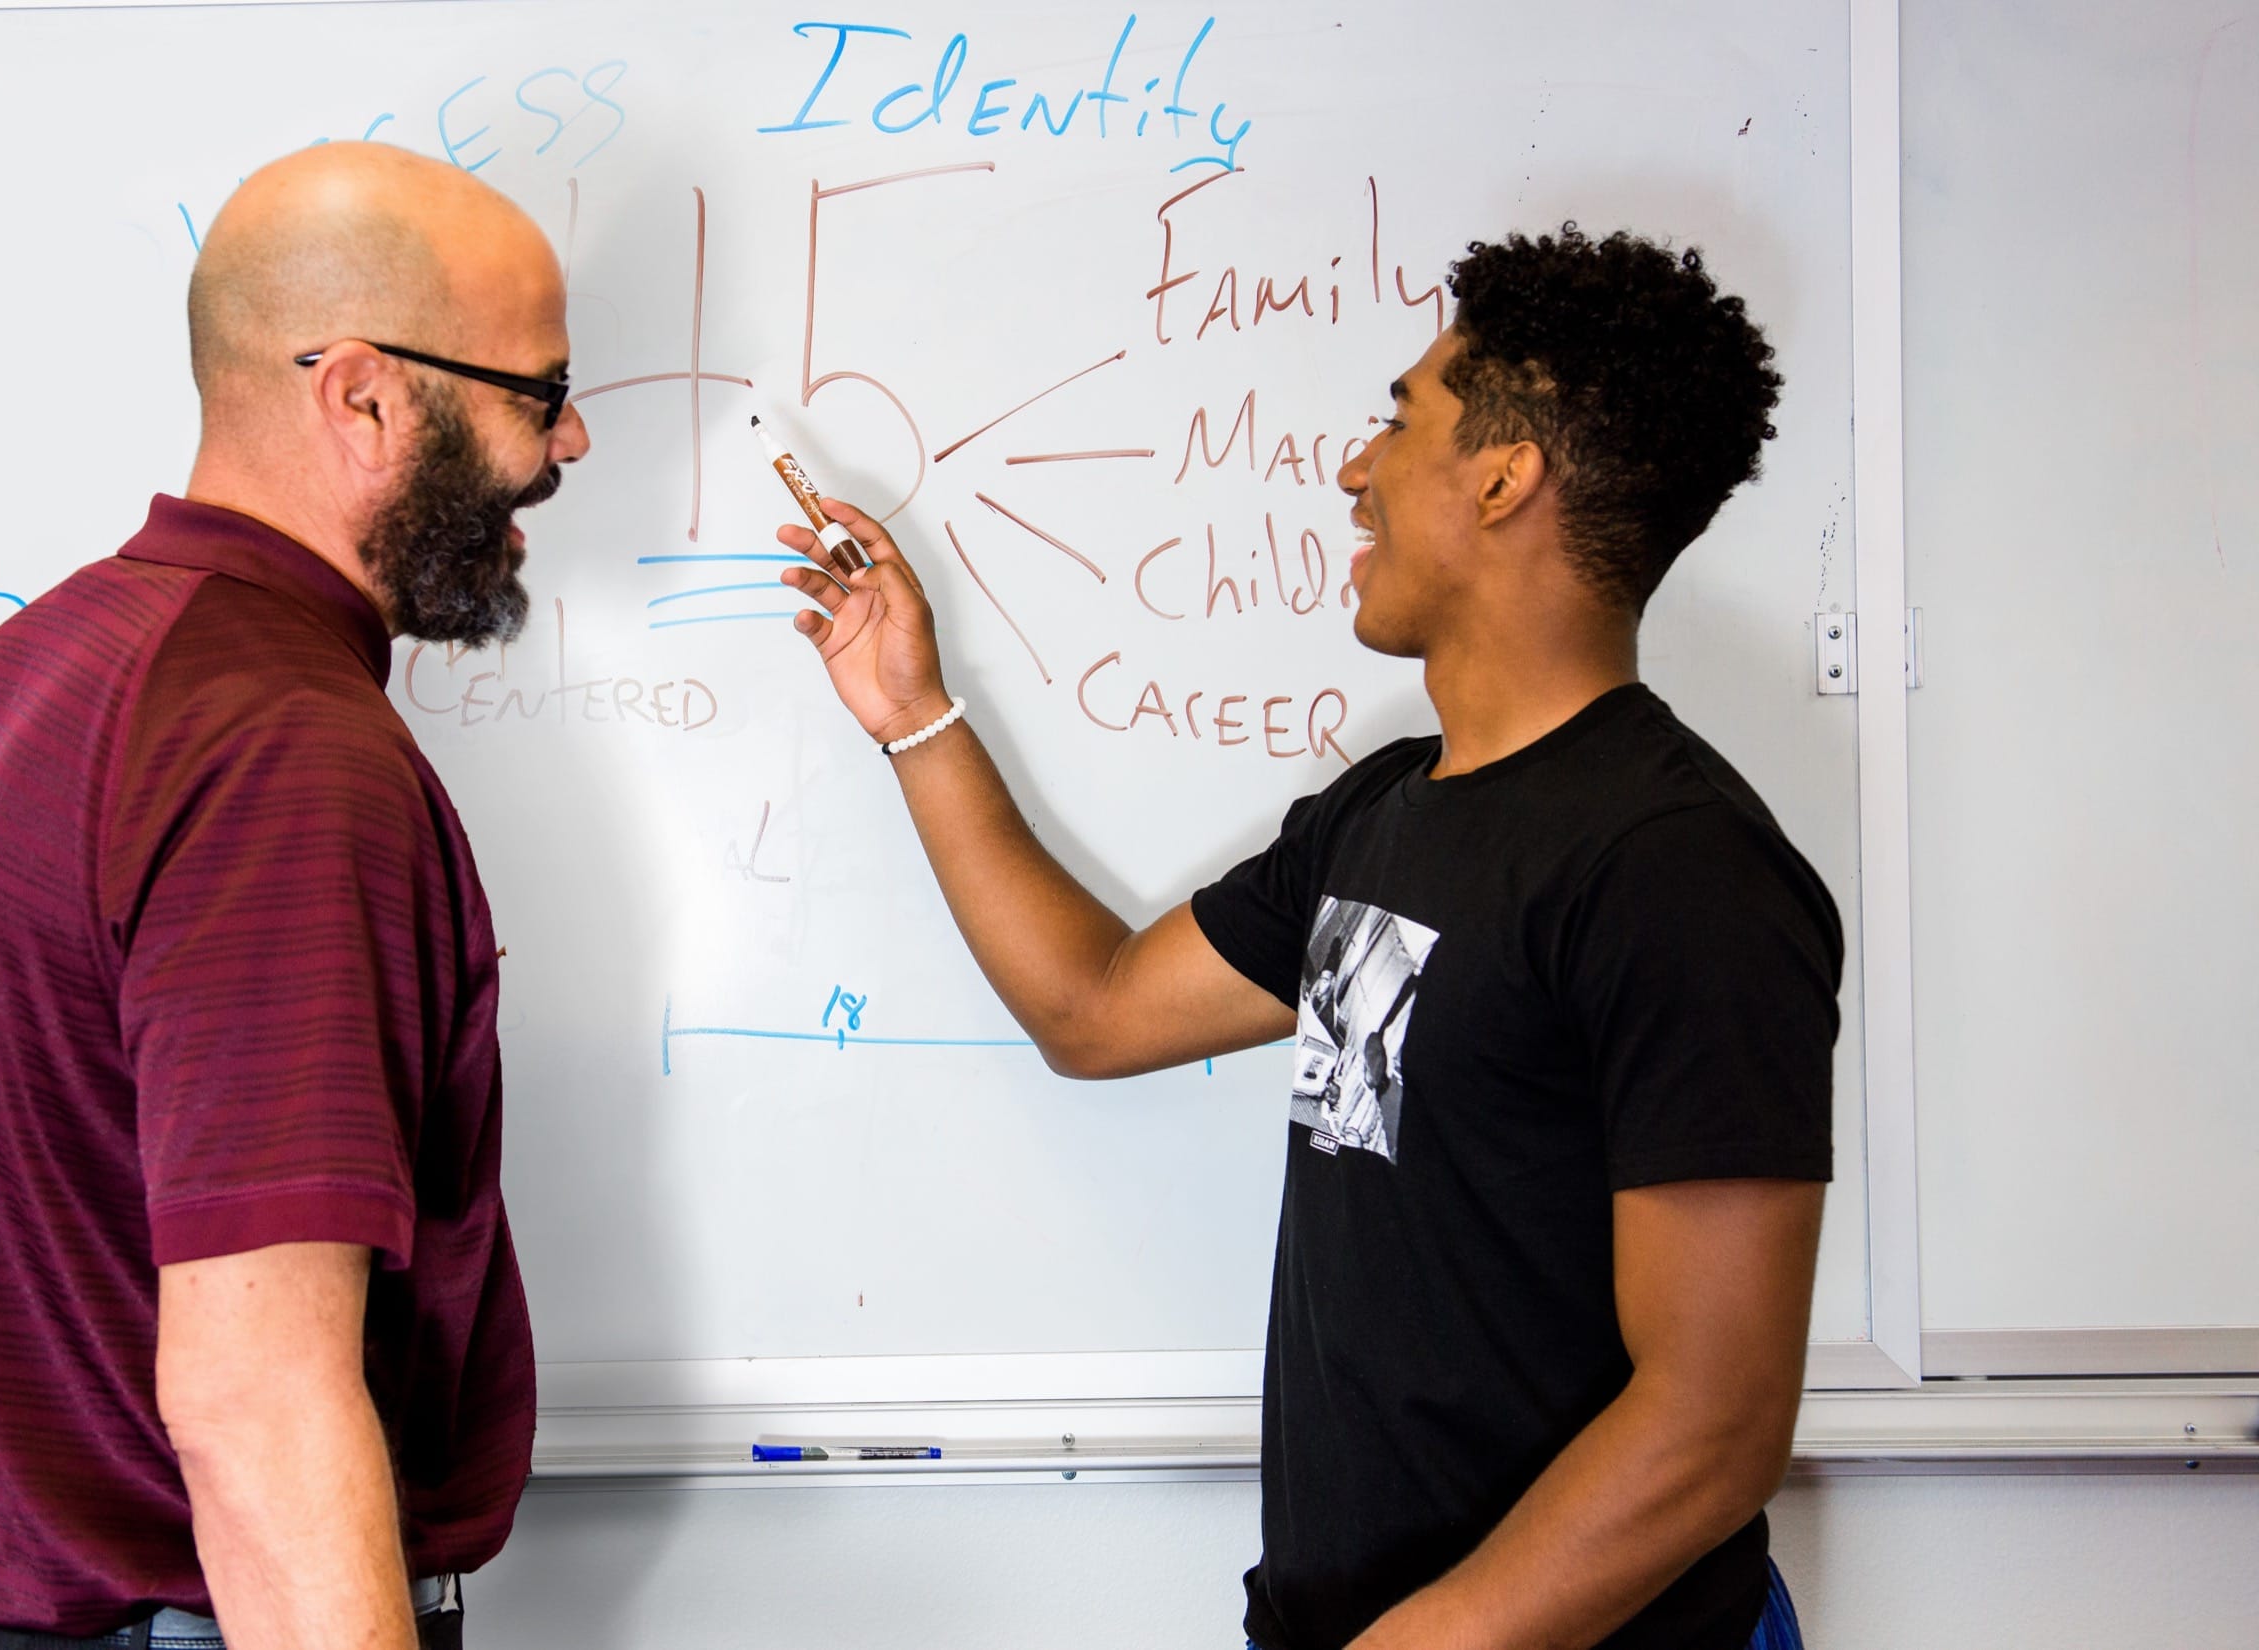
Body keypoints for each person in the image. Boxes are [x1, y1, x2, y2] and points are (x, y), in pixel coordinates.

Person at [777, 226, 1834, 1650]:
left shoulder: (1680, 872)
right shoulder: (1381, 816)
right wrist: (913, 707)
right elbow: (1091, 1007)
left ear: (1506, 477)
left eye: (1402, 421)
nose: (1354, 469)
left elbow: (1712, 1425)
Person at [0, 141, 589, 1650]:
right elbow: (256, 1396)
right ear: (367, 395)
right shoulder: (279, 750)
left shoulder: (56, 658)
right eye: (538, 389)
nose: (568, 439)